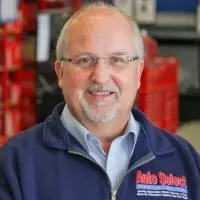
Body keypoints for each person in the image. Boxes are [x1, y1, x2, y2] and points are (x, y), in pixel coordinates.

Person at [0, 2, 200, 200]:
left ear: (138, 73)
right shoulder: (15, 164)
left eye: (117, 59)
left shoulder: (185, 161)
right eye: (85, 60)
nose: (100, 76)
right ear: (60, 73)